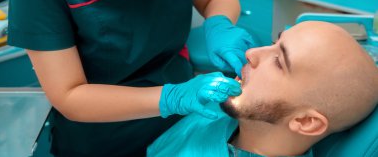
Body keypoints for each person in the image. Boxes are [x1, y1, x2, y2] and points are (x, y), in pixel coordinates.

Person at [8, 0, 255, 156]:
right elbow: (69, 95)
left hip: (180, 126)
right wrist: (173, 97)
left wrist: (219, 24)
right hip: (101, 137)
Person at [147, 21, 378, 157]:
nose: (252, 53)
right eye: (274, 43)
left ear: (306, 122)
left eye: (279, 62)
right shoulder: (227, 107)